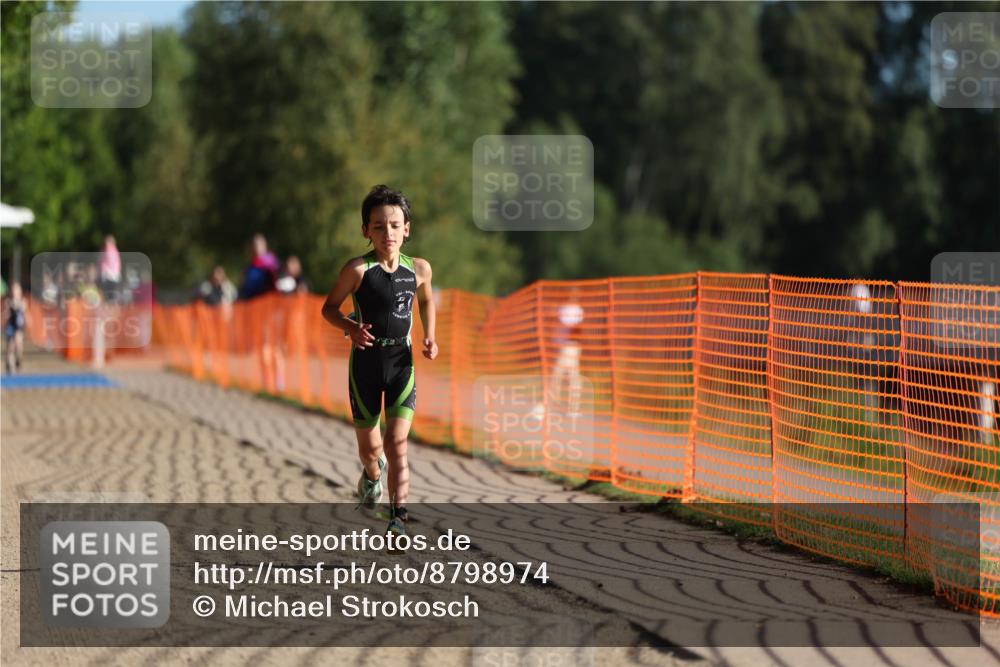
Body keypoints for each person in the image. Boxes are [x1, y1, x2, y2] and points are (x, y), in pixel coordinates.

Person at [321, 184, 437, 544]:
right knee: (371, 451)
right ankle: (372, 475)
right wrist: (351, 328)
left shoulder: (419, 269)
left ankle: (398, 520)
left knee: (396, 442)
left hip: (402, 363)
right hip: (365, 366)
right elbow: (329, 308)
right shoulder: (357, 269)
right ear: (365, 231)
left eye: (395, 225)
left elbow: (426, 301)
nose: (388, 232)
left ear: (407, 229)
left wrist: (430, 336)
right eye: (378, 226)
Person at [239, 233, 280, 300]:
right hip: (252, 302)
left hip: (270, 301)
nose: (256, 248)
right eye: (253, 245)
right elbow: (244, 290)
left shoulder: (273, 265)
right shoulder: (248, 269)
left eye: (258, 245)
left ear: (265, 246)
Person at [4, 283, 27, 374]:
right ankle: (9, 365)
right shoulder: (8, 301)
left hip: (18, 326)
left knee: (19, 344)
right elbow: (6, 313)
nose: (15, 293)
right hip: (10, 326)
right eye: (14, 291)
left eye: (17, 291)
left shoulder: (23, 301)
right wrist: (7, 311)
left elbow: (23, 311)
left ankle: (18, 361)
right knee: (10, 346)